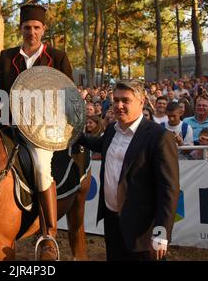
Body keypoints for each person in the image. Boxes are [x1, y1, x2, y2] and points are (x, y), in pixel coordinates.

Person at [0, 4, 72, 261]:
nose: (32, 32)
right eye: (27, 27)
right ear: (21, 29)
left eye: (36, 27)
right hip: (9, 124)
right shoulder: (7, 56)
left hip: (43, 129)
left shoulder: (58, 57)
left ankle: (49, 235)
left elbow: (68, 96)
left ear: (43, 30)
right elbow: (0, 90)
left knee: (41, 167)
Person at [77, 80, 180, 261]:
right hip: (112, 222)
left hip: (144, 232)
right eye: (115, 100)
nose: (119, 106)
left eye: (125, 100)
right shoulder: (111, 130)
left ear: (141, 102)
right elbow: (97, 144)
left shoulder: (159, 137)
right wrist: (72, 134)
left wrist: (161, 233)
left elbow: (169, 191)